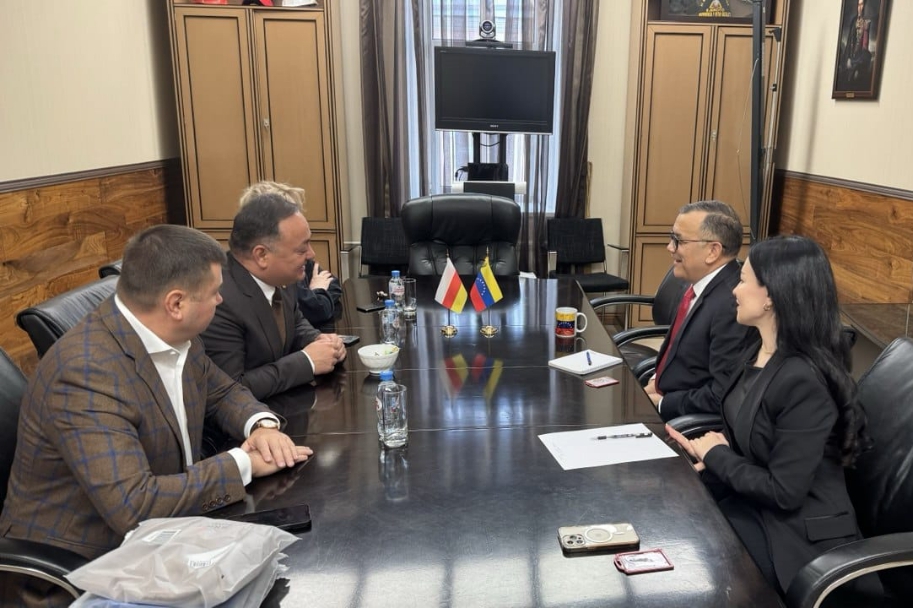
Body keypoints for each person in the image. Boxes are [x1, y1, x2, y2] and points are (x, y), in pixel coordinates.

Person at [0, 225, 312, 607]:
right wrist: (242, 464)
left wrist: (260, 426)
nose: (220, 299)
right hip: (82, 571)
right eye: (215, 292)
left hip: (165, 540)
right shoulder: (85, 372)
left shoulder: (174, 333)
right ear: (176, 303)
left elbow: (222, 391)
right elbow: (135, 507)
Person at [667, 235, 870, 594]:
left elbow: (784, 492)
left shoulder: (804, 380)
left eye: (743, 280)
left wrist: (717, 455)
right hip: (751, 503)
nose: (734, 290)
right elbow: (753, 432)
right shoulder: (757, 351)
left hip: (796, 536)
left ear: (771, 295)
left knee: (687, 574)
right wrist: (710, 451)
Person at [201, 191, 346, 401]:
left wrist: (318, 339)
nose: (311, 254)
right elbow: (230, 389)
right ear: (261, 255)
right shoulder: (218, 300)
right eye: (301, 249)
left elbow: (295, 322)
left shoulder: (283, 277)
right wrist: (307, 362)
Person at [645, 200, 754, 421]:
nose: (670, 247)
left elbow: (721, 394)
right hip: (664, 393)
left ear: (713, 251)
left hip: (684, 420)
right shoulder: (698, 282)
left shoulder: (733, 305)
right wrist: (656, 379)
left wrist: (663, 403)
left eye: (679, 241)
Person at [239, 181, 342, 328]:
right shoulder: (276, 272)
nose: (311, 254)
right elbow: (317, 310)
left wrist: (316, 294)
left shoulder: (297, 257)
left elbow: (333, 284)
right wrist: (318, 291)